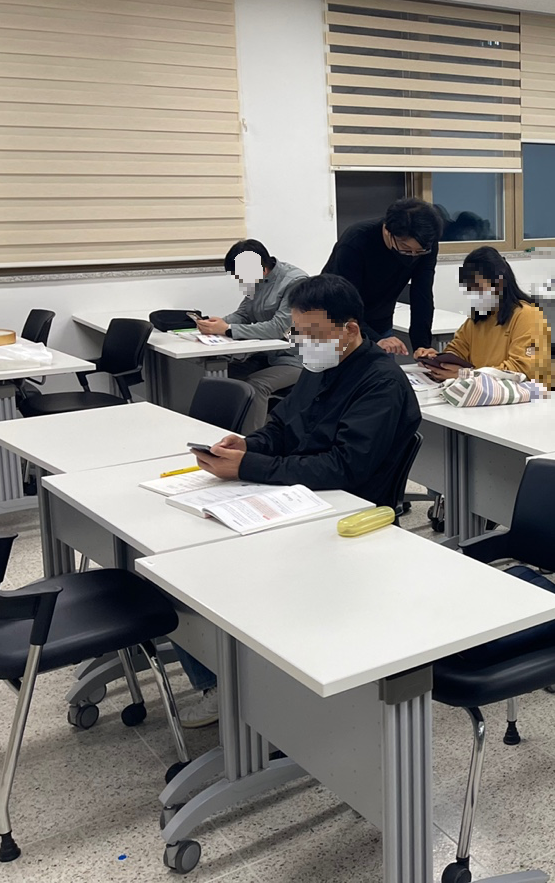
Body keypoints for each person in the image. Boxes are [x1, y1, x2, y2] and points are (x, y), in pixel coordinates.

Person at [177, 275, 421, 727]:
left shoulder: (380, 383)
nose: (304, 343)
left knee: (224, 569)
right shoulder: (319, 365)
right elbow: (284, 426)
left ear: (349, 329)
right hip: (298, 495)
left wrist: (249, 468)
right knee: (188, 559)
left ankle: (255, 689)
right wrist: (249, 446)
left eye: (313, 333)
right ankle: (223, 677)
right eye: (298, 333)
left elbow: (343, 469)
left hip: (347, 514)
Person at [193, 239, 307, 430]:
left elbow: (279, 328)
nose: (240, 281)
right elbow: (243, 314)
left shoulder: (295, 283)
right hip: (267, 356)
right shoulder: (256, 280)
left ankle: (249, 442)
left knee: (256, 385)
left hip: (297, 359)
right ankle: (217, 433)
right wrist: (216, 324)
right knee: (221, 377)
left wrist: (227, 329)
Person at [414, 246, 554, 388]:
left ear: (499, 283)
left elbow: (520, 371)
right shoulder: (477, 318)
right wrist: (436, 359)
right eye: (469, 288)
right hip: (484, 392)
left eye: (478, 287)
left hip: (527, 395)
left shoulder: (527, 316)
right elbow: (457, 351)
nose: (473, 294)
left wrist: (466, 375)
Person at [322, 198, 443, 356]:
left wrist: (422, 346)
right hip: (336, 321)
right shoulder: (356, 241)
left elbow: (422, 294)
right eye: (405, 248)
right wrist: (375, 339)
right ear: (387, 230)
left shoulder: (425, 245)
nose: (413, 255)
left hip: (381, 321)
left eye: (419, 251)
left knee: (383, 368)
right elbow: (341, 301)